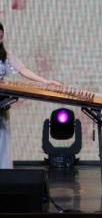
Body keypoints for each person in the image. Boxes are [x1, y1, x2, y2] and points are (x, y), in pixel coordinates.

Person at [0, 22, 61, 169]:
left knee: (2, 137)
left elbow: (23, 70)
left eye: (1, 37)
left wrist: (45, 82)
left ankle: (3, 172)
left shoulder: (5, 55)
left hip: (1, 101)